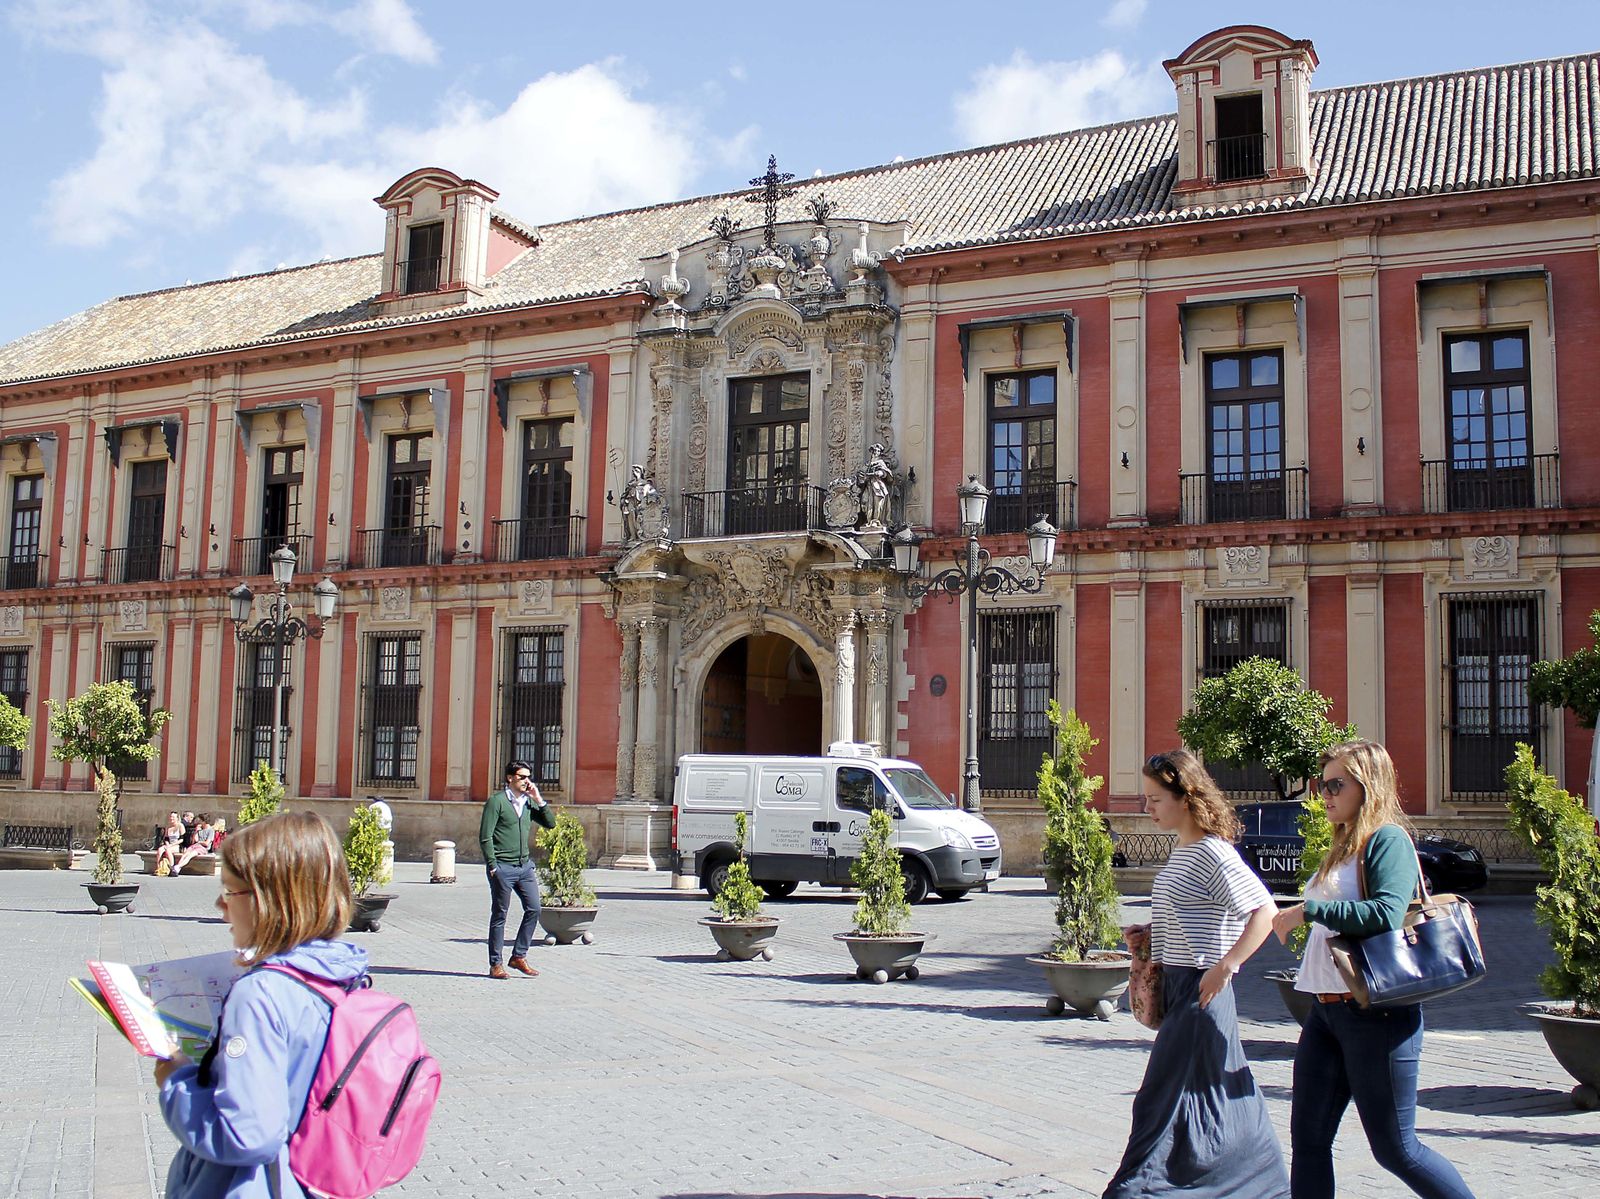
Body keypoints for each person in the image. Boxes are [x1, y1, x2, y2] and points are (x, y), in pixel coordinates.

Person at [1271, 740, 1477, 1199]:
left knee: (1396, 1149)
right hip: (1325, 1012)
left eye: (1335, 784)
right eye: (1319, 785)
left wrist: (1310, 911)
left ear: (1367, 784)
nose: (1323, 794)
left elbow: (1386, 913)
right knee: (1308, 1142)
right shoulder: (1344, 843)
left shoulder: (1387, 839)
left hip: (1375, 1016)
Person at [1104, 748, 1287, 1199]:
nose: (1147, 808)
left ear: (1185, 797)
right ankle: (1258, 1181)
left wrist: (1228, 965)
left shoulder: (1212, 852)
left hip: (1202, 989)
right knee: (1213, 1093)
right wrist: (1148, 935)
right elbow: (1191, 916)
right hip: (1182, 983)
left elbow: (1264, 911)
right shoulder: (1183, 849)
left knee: (1163, 1097)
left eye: (1155, 799)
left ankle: (1136, 1191)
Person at [155, 810, 367, 1198]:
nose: (220, 906)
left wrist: (177, 1081)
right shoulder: (342, 975)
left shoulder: (260, 994)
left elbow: (248, 1135)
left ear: (271, 901)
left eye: (229, 891)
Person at [480, 759, 557, 979]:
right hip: (502, 867)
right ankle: (496, 964)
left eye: (528, 777)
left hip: (524, 867)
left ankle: (518, 956)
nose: (526, 781)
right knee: (500, 914)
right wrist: (493, 865)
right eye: (522, 777)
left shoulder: (528, 803)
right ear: (510, 778)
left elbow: (550, 823)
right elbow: (485, 836)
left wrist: (539, 799)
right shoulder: (497, 802)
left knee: (534, 908)